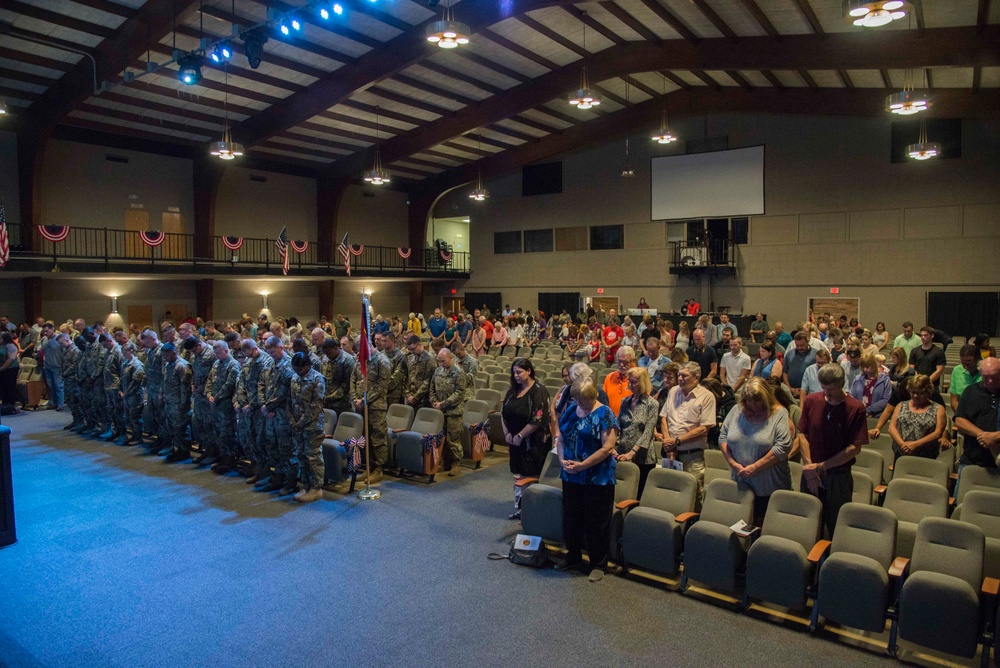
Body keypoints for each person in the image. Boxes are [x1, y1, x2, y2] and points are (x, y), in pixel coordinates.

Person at [555, 378, 618, 582]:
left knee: (596, 522)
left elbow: (607, 447)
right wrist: (562, 459)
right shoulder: (572, 409)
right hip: (571, 475)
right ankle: (573, 557)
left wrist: (583, 465)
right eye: (579, 400)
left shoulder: (604, 413)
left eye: (586, 400)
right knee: (571, 518)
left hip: (597, 477)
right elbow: (562, 438)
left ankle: (598, 564)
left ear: (595, 396)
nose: (582, 404)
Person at [798, 363, 868, 537]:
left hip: (837, 476)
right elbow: (802, 435)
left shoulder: (855, 408)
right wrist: (811, 469)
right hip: (810, 473)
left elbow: (854, 448)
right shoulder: (812, 401)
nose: (827, 393)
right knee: (809, 525)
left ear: (841, 384)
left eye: (831, 389)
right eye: (823, 388)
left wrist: (822, 467)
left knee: (836, 527)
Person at [720, 377, 792, 525]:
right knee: (740, 525)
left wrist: (756, 467)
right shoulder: (736, 411)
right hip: (740, 481)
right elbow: (723, 438)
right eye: (749, 400)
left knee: (764, 527)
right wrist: (733, 463)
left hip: (769, 485)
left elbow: (783, 447)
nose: (753, 405)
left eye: (757, 400)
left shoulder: (779, 414)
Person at [660, 362, 717, 503]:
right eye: (679, 375)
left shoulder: (706, 396)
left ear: (696, 378)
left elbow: (704, 428)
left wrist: (677, 441)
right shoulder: (673, 391)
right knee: (671, 491)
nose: (680, 378)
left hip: (692, 455)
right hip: (671, 452)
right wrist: (668, 443)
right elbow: (663, 418)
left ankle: (692, 522)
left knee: (694, 494)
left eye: (684, 375)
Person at [501, 358, 551, 519]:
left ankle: (533, 512)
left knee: (531, 476)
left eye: (519, 372)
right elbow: (503, 413)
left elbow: (537, 419)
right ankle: (522, 509)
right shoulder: (513, 390)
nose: (515, 375)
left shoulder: (538, 391)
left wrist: (521, 435)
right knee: (520, 475)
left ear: (529, 371)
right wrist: (507, 434)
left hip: (533, 443)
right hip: (515, 441)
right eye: (514, 372)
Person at [954, 357, 1000, 497]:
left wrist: (995, 436)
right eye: (986, 377)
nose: (990, 381)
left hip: (998, 461)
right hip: (972, 460)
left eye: (995, 377)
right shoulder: (971, 391)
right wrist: (983, 435)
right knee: (962, 503)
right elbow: (960, 420)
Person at [350, 340, 391, 484]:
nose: (358, 354)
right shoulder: (360, 359)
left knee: (377, 437)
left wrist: (364, 400)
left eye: (360, 350)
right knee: (364, 437)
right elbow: (353, 379)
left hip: (376, 406)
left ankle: (378, 469)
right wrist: (355, 398)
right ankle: (369, 466)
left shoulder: (382, 361)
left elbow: (381, 386)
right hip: (360, 405)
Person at [259, 336, 297, 495]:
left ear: (281, 348)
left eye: (273, 351)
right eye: (268, 351)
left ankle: (290, 482)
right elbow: (261, 384)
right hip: (270, 414)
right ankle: (276, 477)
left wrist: (268, 406)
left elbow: (284, 392)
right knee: (272, 446)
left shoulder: (289, 365)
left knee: (286, 448)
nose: (271, 354)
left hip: (283, 414)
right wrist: (263, 404)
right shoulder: (269, 364)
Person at [614, 367, 659, 497]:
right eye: (630, 381)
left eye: (634, 382)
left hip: (643, 457)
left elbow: (648, 431)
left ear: (643, 382)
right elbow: (618, 425)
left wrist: (632, 452)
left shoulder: (652, 404)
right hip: (623, 452)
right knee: (622, 493)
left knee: (638, 494)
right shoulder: (625, 402)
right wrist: (611, 445)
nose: (631, 385)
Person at [288, 352, 326, 502]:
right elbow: (290, 401)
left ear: (308, 366)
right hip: (297, 424)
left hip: (312, 425)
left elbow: (315, 406)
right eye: (295, 369)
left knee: (313, 456)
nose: (298, 372)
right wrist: (292, 420)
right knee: (300, 454)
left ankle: (317, 487)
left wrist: (301, 422)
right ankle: (305, 484)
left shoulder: (318, 379)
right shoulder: (294, 377)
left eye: (300, 369)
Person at [888, 374, 945, 462]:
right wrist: (902, 444)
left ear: (928, 391)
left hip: (926, 455)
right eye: (913, 392)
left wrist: (915, 445)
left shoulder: (938, 409)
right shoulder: (901, 405)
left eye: (920, 393)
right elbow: (892, 428)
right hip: (901, 452)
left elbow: (938, 433)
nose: (915, 396)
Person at [429, 348, 467, 475]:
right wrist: (433, 401)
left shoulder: (458, 373)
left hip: (453, 411)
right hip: (439, 411)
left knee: (453, 439)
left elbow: (459, 393)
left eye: (443, 361)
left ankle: (455, 463)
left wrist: (443, 404)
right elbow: (432, 388)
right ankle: (443, 462)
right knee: (441, 438)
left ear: (450, 358)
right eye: (439, 361)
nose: (440, 363)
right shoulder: (438, 371)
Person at [205, 341, 241, 473]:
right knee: (218, 432)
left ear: (226, 351)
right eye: (216, 353)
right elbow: (209, 379)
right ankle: (223, 456)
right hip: (215, 405)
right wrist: (209, 394)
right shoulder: (216, 363)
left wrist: (217, 396)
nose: (217, 355)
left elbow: (229, 385)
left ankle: (231, 458)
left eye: (219, 352)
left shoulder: (233, 365)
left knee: (228, 433)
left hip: (226, 405)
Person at [160, 343, 193, 463]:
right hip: (170, 402)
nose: (165, 358)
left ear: (174, 353)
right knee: (172, 428)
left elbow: (186, 388)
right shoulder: (169, 364)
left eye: (166, 355)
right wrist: (162, 394)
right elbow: (165, 381)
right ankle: (177, 448)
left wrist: (184, 404)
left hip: (179, 404)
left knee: (181, 428)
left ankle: (184, 451)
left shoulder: (182, 366)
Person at [602, 346, 636, 416]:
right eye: (619, 361)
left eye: (625, 362)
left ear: (633, 361)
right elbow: (603, 401)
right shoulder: (610, 377)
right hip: (611, 421)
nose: (621, 365)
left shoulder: (638, 378)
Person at [404, 335, 436, 409]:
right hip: (410, 398)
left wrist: (415, 397)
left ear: (419, 345)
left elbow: (428, 382)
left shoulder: (430, 360)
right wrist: (407, 394)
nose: (411, 352)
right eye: (410, 350)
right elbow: (407, 377)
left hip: (423, 400)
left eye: (413, 349)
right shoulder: (411, 357)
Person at [950, 344, 982, 413]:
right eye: (963, 364)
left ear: (978, 359)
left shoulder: (986, 371)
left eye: (970, 364)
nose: (966, 367)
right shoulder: (957, 370)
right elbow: (954, 400)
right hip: (962, 414)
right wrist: (961, 415)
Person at [0, 331, 20, 413]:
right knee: (3, 387)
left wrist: (1, 368)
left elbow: (11, 359)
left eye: (0, 338)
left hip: (11, 368)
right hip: (3, 369)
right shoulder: (2, 346)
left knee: (9, 387)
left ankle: (11, 406)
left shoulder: (11, 346)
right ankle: (5, 404)